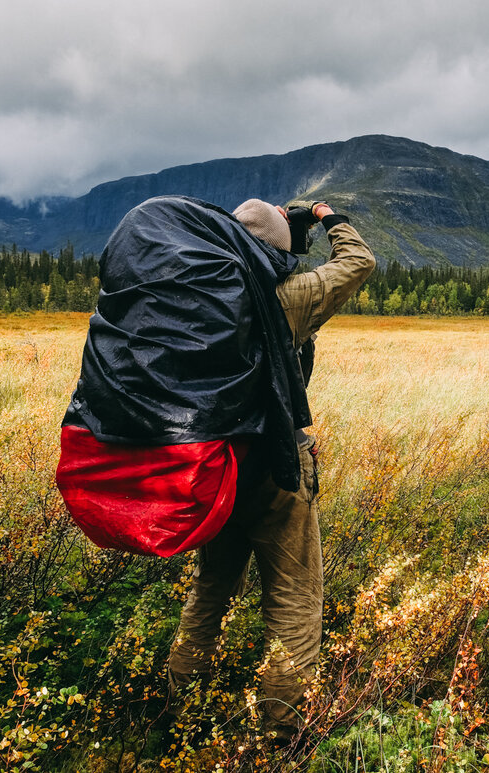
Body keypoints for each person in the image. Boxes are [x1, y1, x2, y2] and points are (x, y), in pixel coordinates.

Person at [165, 198, 375, 745]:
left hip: (212, 470)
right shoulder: (288, 298)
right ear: (280, 253)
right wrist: (327, 216)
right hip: (276, 468)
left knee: (210, 589)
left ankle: (177, 707)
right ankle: (280, 735)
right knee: (293, 599)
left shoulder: (196, 298)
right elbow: (358, 262)